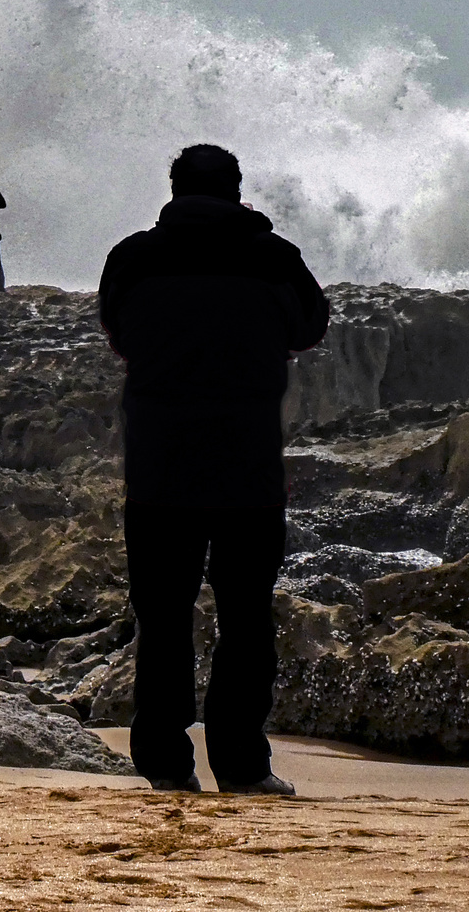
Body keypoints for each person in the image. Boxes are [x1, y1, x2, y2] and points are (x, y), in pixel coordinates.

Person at [97, 143, 329, 795]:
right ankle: (242, 765)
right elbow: (310, 327)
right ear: (236, 190)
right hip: (246, 469)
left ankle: (167, 768)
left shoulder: (134, 258)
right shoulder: (273, 257)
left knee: (163, 619)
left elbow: (116, 329)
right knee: (246, 620)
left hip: (157, 470)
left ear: (174, 191)